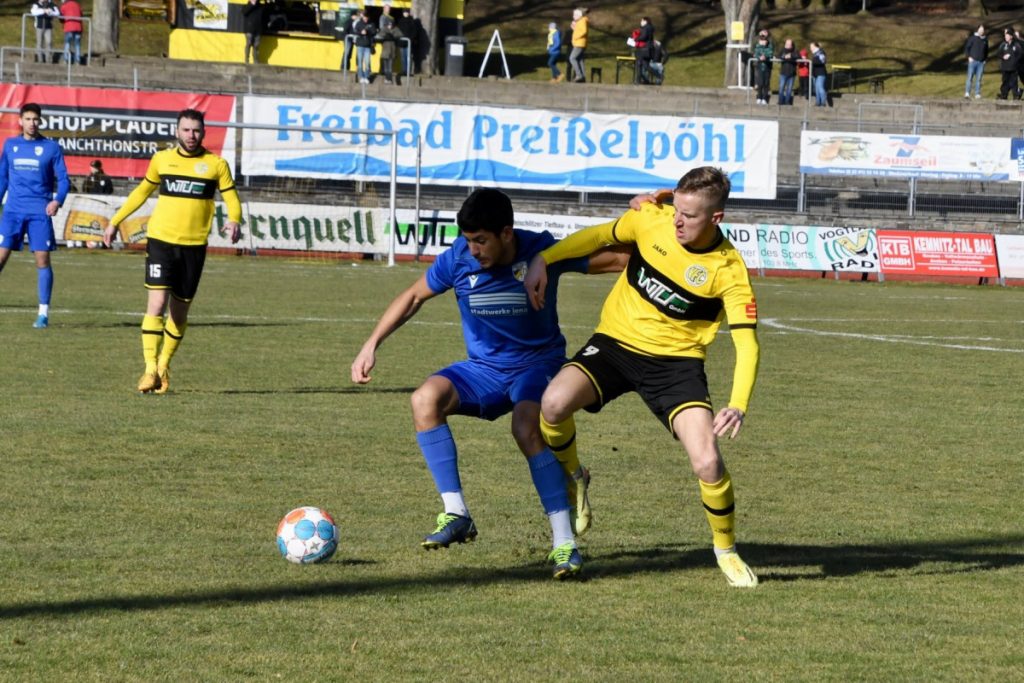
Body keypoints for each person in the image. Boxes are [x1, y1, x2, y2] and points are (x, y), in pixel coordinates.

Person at [350, 188, 627, 579]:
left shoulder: (542, 252)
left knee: (525, 427)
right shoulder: (458, 260)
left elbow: (616, 258)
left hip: (538, 365)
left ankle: (564, 544)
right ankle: (457, 513)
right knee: (424, 400)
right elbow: (414, 296)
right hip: (484, 369)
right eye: (468, 241)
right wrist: (371, 344)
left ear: (507, 233)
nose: (473, 250)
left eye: (481, 241)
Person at [523, 166, 760, 589]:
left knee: (707, 461)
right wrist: (546, 257)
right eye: (676, 210)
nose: (678, 221)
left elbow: (748, 345)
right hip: (614, 344)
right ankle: (576, 478)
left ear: (717, 219)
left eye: (689, 215)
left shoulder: (730, 270)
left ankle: (726, 551)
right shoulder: (653, 221)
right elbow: (598, 236)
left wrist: (737, 403)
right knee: (553, 404)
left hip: (676, 365)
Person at [101, 109, 242, 394]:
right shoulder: (162, 160)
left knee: (178, 314)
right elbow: (141, 192)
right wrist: (115, 221)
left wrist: (234, 219)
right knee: (156, 304)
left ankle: (164, 364)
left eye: (196, 130)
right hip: (161, 242)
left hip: (193, 247)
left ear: (204, 132)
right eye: (186, 130)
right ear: (177, 131)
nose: (191, 135)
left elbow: (231, 198)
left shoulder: (216, 165)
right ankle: (149, 369)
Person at [0, 102, 70, 329]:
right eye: (28, 119)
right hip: (12, 211)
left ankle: (43, 314)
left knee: (42, 260)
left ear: (40, 121)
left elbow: (64, 179)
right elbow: (3, 179)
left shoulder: (51, 148)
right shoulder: (10, 145)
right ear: (20, 120)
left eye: (36, 119)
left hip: (39, 212)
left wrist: (57, 200)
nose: (32, 123)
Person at [996, 28, 1021, 100]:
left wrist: (1015, 62)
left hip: (1013, 68)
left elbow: (1020, 54)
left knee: (1014, 83)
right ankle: (1004, 95)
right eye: (1005, 36)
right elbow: (998, 54)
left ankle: (1016, 95)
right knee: (1005, 82)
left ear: (1011, 36)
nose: (1006, 37)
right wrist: (1003, 57)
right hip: (1005, 67)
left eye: (1007, 36)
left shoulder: (1016, 45)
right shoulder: (1003, 45)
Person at [964, 25, 988, 99]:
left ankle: (977, 93)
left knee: (979, 79)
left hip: (981, 63)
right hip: (972, 61)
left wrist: (985, 60)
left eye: (983, 30)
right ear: (977, 30)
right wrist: (969, 57)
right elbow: (967, 48)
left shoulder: (985, 40)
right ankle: (967, 92)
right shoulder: (972, 38)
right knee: (970, 77)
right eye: (980, 30)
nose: (981, 31)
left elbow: (987, 51)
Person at [376, 4, 398, 84]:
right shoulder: (383, 17)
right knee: (385, 57)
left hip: (391, 40)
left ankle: (388, 76)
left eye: (389, 8)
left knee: (390, 58)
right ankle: (385, 75)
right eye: (387, 8)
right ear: (384, 9)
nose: (388, 10)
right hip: (386, 40)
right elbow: (382, 28)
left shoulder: (391, 18)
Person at [353, 10, 376, 84]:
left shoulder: (371, 24)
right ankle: (361, 76)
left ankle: (366, 77)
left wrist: (368, 32)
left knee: (367, 62)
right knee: (360, 62)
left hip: (368, 46)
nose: (365, 19)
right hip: (360, 45)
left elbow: (374, 32)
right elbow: (355, 31)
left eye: (367, 17)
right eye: (364, 17)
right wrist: (361, 32)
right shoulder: (359, 23)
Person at [753, 29, 774, 104]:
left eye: (765, 35)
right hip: (759, 66)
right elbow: (756, 53)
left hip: (767, 66)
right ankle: (759, 96)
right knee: (760, 83)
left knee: (766, 83)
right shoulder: (757, 45)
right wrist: (759, 57)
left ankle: (765, 98)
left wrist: (766, 57)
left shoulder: (769, 45)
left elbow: (770, 53)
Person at [631, 16, 654, 84]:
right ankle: (649, 77)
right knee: (645, 65)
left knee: (639, 64)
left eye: (641, 21)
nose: (640, 22)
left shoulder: (645, 28)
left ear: (645, 21)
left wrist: (636, 39)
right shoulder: (651, 28)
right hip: (649, 49)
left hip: (643, 49)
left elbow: (644, 36)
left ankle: (638, 80)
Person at [59, 0, 83, 65]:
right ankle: (77, 60)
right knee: (77, 44)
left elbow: (61, 17)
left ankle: (66, 59)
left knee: (67, 43)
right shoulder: (77, 4)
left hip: (69, 27)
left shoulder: (64, 5)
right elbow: (81, 14)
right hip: (78, 27)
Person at [569, 7, 588, 83]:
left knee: (572, 58)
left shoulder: (582, 21)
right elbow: (580, 30)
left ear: (579, 15)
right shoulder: (580, 21)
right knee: (580, 60)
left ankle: (579, 75)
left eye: (575, 15)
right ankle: (583, 77)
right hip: (580, 43)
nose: (573, 16)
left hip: (579, 43)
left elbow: (584, 31)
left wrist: (576, 36)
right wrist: (574, 28)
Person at [242, 0, 265, 64]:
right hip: (249, 29)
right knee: (248, 43)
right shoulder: (246, 5)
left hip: (258, 29)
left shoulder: (260, 6)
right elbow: (244, 12)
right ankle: (247, 60)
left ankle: (256, 61)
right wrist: (252, 4)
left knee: (256, 45)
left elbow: (264, 17)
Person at [777, 38, 798, 106]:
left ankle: (787, 102)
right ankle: (780, 101)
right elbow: (778, 56)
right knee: (781, 87)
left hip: (792, 73)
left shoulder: (795, 50)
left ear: (792, 45)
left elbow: (798, 56)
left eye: (789, 44)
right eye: (786, 44)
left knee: (789, 89)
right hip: (783, 72)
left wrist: (791, 56)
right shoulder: (782, 50)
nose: (787, 45)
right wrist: (784, 56)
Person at [396, 10, 417, 77]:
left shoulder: (412, 21)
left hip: (408, 42)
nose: (405, 14)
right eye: (404, 12)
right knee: (403, 57)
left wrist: (411, 38)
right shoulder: (400, 21)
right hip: (401, 42)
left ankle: (408, 71)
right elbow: (397, 31)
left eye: (406, 12)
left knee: (408, 57)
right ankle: (404, 70)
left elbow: (414, 31)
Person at [810, 41, 828, 107]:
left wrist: (813, 61)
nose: (810, 48)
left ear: (815, 47)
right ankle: (818, 102)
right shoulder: (814, 54)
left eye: (811, 47)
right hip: (815, 73)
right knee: (816, 89)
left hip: (821, 73)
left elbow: (823, 61)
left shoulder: (820, 52)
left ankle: (823, 102)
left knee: (820, 87)